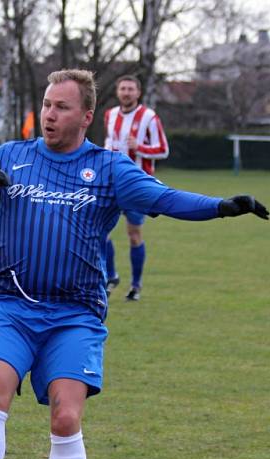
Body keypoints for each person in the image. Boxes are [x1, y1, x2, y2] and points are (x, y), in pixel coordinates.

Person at [0, 69, 268, 459]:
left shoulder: (109, 168)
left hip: (75, 314)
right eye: (47, 104)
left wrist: (222, 206)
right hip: (11, 304)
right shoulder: (11, 156)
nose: (50, 114)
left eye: (62, 107)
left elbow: (165, 199)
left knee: (66, 416)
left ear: (86, 116)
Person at [103, 75, 169, 300]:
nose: (126, 92)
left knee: (134, 235)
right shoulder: (110, 115)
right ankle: (111, 276)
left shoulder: (149, 117)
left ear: (138, 93)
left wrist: (138, 147)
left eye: (131, 89)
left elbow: (163, 149)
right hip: (111, 183)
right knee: (99, 231)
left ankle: (136, 286)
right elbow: (109, 142)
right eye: (123, 88)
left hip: (137, 184)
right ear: (117, 91)